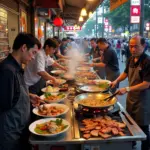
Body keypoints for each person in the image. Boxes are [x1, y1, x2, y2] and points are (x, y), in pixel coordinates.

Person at [0, 33, 41, 150]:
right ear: (24, 48)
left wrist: (28, 96)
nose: (33, 57)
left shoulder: (16, 67)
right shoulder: (7, 70)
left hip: (20, 129)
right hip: (10, 134)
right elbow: (4, 104)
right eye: (33, 52)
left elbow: (14, 94)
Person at [111, 35, 150, 150]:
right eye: (131, 46)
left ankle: (145, 147)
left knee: (143, 126)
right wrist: (116, 80)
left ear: (143, 46)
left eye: (136, 46)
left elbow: (146, 84)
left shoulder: (147, 62)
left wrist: (127, 89)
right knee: (130, 122)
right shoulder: (131, 59)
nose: (133, 49)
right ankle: (131, 143)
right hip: (131, 98)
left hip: (143, 100)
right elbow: (125, 73)